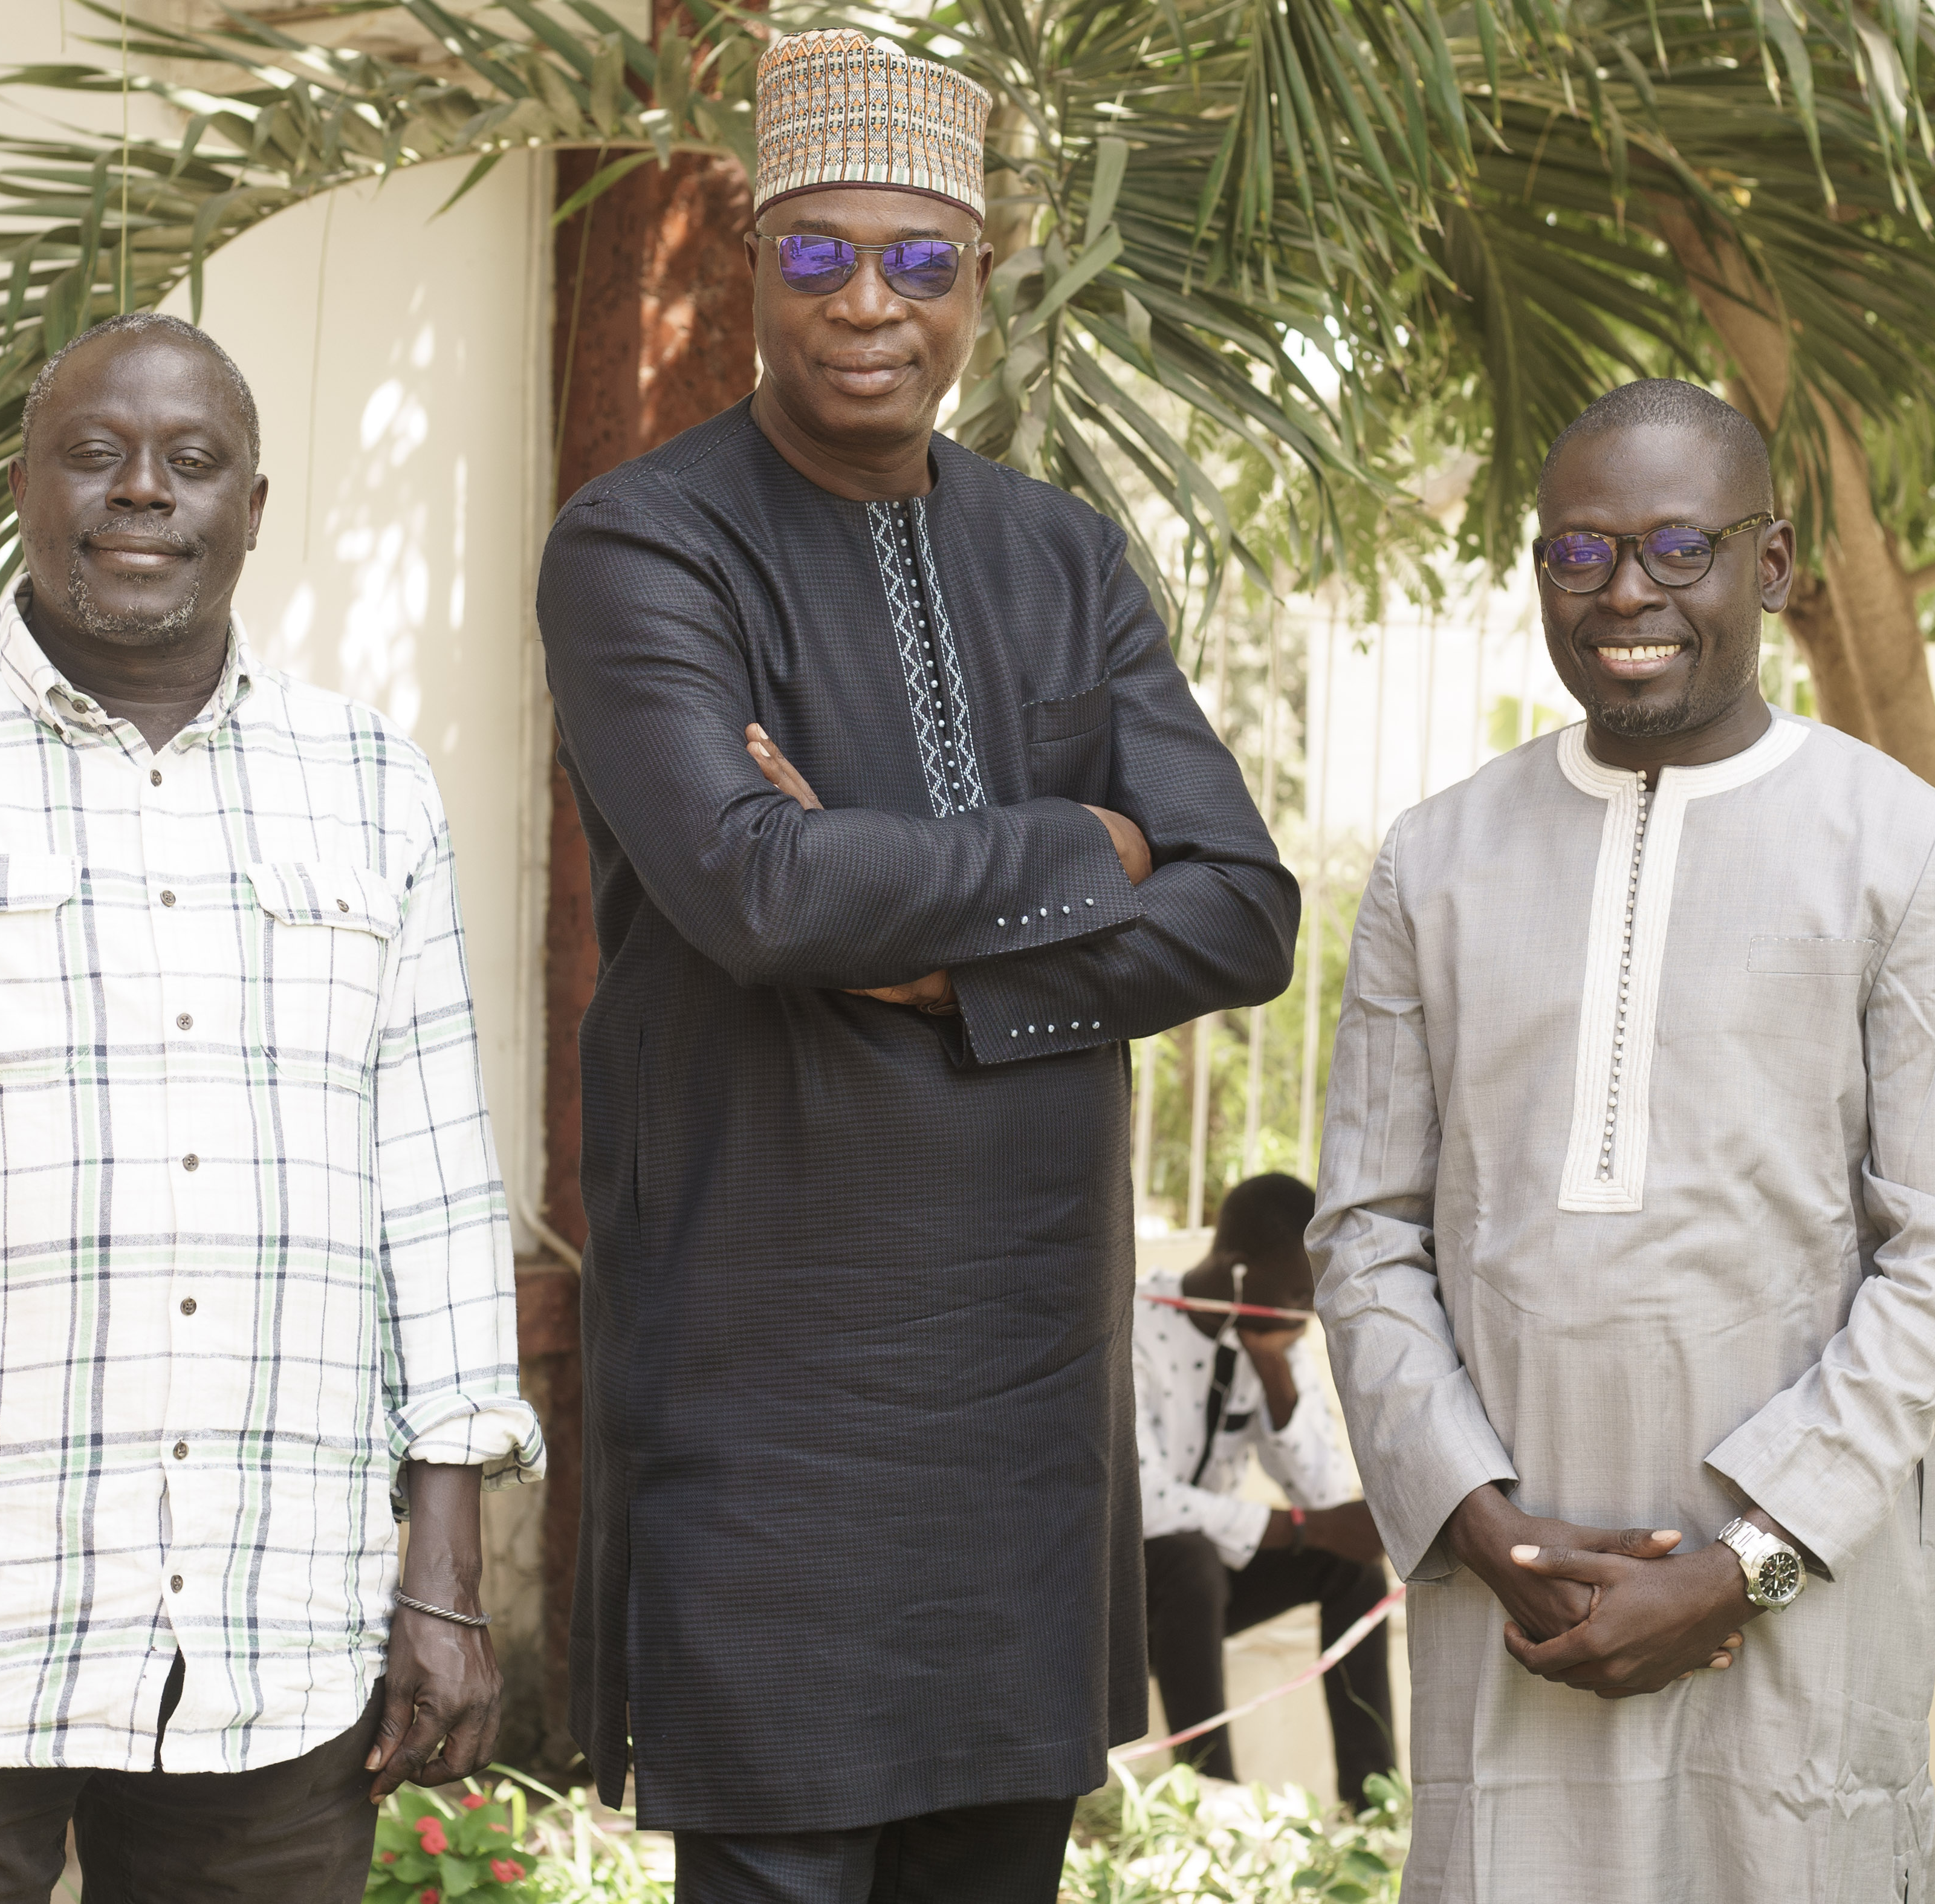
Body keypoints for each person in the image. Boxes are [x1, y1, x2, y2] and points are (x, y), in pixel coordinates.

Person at [534, 28, 1300, 1904]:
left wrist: (951, 974)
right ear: (753, 265)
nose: (864, 303)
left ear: (982, 275)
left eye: (917, 260)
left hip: (1023, 1396)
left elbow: (1242, 908)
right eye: (815, 253)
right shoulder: (643, 543)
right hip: (767, 1387)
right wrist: (1086, 843)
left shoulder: (1063, 558)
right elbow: (756, 889)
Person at [0, 311, 540, 1901]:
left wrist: (445, 1576)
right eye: (96, 453)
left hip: (279, 1633)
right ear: (25, 485)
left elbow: (434, 1200)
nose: (143, 489)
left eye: (190, 461)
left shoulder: (369, 783)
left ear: (252, 508)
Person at [1309, 377, 1935, 1902]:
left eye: (1676, 547)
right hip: (1517, 1599)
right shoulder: (1434, 860)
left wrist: (1740, 1564)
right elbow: (1366, 1227)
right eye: (1580, 553)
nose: (1625, 592)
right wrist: (1476, 1520)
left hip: (1793, 1610)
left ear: (1768, 564)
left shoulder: (1912, 851)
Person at [1133, 1172, 1395, 1810]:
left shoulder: (1271, 1334)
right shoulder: (1133, 1325)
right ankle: (1210, 1797)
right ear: (1238, 1271)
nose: (1306, 1313)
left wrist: (1275, 1372)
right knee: (1191, 1556)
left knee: (1350, 1566)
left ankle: (1373, 1802)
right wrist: (1304, 1526)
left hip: (1208, 1590)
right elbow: (1143, 1503)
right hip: (1122, 1594)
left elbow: (1326, 1495)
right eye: (1298, 1293)